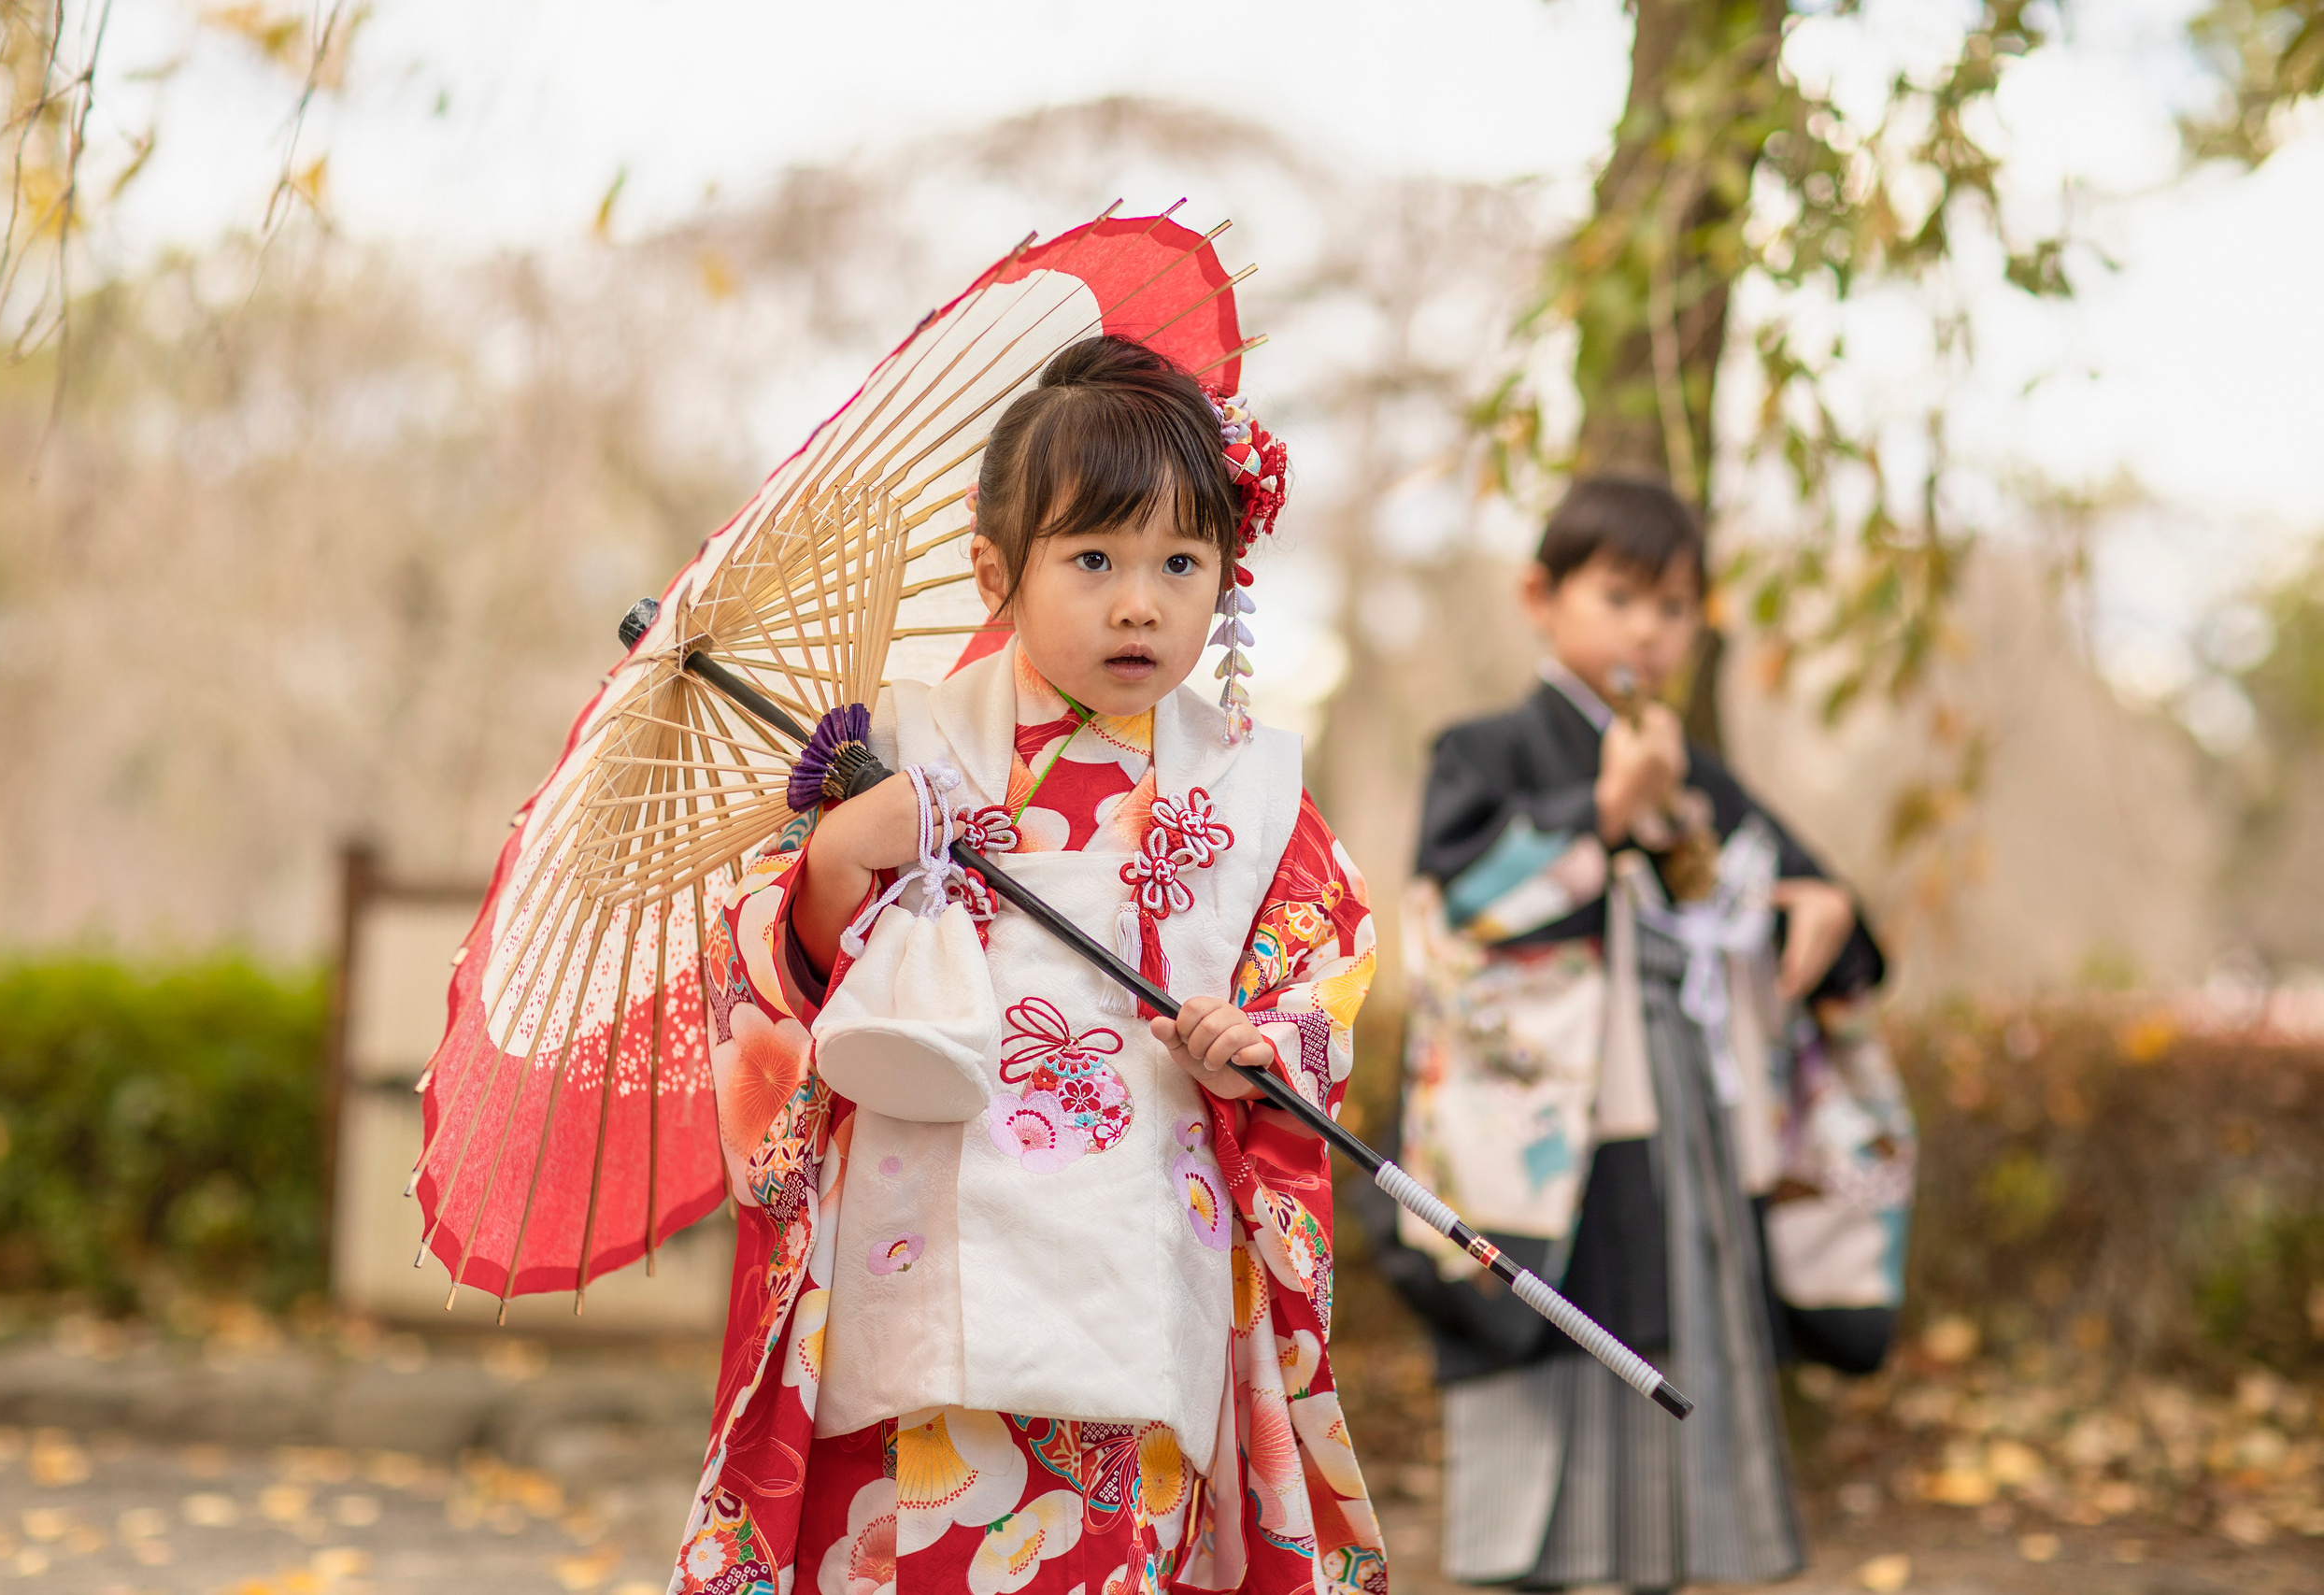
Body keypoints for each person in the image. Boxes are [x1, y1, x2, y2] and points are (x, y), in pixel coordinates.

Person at [670, 335, 1386, 1595]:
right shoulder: (902, 746)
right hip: (917, 1245)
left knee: (1109, 1543)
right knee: (910, 1532)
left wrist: (1258, 1047)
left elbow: (1320, 973)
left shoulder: (1255, 787)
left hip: (1136, 1258)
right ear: (996, 571)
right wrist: (835, 859)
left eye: (1181, 562)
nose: (1139, 602)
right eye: (1094, 558)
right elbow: (773, 981)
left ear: (1227, 577)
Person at [1378, 476, 1902, 1592]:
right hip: (1551, 1142)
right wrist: (1604, 815)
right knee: (1561, 1370)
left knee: (1679, 1355)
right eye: (1617, 598)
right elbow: (1452, 915)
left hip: (1688, 1129)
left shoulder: (1694, 776)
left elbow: (1822, 916)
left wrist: (1824, 908)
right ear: (1540, 596)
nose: (1647, 632)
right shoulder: (1486, 750)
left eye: (1672, 608)